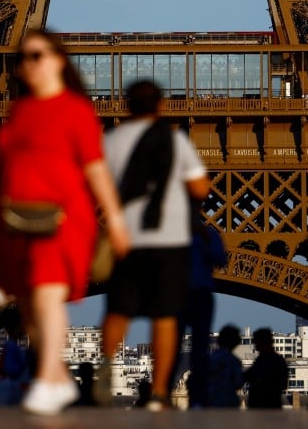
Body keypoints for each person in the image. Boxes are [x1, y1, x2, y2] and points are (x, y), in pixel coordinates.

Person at [0, 29, 129, 416]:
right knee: (30, 304)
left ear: (58, 60)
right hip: (17, 217)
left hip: (63, 218)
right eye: (23, 58)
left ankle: (49, 378)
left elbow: (96, 168)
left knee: (48, 293)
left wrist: (115, 219)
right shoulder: (18, 111)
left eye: (37, 56)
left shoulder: (75, 110)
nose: (28, 65)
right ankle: (60, 378)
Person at [99, 80, 210, 411]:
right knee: (165, 316)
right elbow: (201, 187)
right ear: (161, 105)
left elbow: (97, 183)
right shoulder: (175, 141)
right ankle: (160, 392)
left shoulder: (112, 140)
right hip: (169, 239)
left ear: (126, 104)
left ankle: (106, 367)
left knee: (119, 308)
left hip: (127, 236)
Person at [175, 221, 227, 408]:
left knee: (174, 346)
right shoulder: (209, 233)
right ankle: (198, 397)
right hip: (200, 292)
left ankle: (163, 393)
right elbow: (221, 259)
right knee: (200, 348)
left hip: (180, 293)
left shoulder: (173, 231)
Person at [244, 328, 288, 409]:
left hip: (265, 407)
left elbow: (246, 377)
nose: (255, 344)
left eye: (256, 341)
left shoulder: (266, 361)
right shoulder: (275, 360)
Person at [206, 324, 243, 408]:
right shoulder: (234, 361)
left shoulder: (210, 359)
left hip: (211, 400)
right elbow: (238, 383)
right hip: (229, 402)